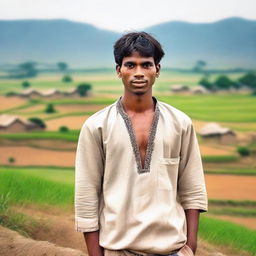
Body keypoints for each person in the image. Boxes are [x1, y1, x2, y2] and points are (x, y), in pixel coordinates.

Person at [75, 32, 208, 256]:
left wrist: (190, 247)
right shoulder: (96, 126)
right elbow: (86, 195)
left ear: (157, 69)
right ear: (119, 70)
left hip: (173, 250)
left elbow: (192, 188)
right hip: (119, 250)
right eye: (130, 65)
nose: (138, 73)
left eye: (146, 64)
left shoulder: (180, 123)